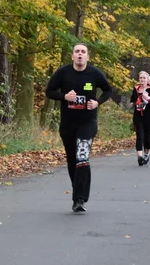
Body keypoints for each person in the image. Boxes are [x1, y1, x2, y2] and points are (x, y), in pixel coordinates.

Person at [46, 43, 112, 213]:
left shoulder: (95, 74)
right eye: (77, 52)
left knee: (82, 156)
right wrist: (64, 96)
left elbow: (108, 90)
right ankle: (78, 192)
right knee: (72, 160)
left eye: (83, 52)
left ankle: (80, 199)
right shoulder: (63, 72)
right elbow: (49, 91)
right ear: (73, 56)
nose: (80, 54)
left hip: (87, 123)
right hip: (68, 124)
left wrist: (97, 102)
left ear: (87, 57)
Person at [130, 71, 150, 166]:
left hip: (149, 116)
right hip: (138, 116)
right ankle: (139, 157)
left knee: (147, 137)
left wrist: (149, 100)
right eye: (140, 78)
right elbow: (132, 99)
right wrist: (132, 103)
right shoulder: (136, 89)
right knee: (139, 136)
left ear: (147, 80)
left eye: (144, 78)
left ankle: (147, 153)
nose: (142, 79)